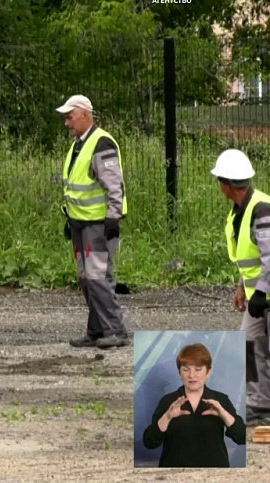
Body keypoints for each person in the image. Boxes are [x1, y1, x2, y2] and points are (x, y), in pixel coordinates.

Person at [57, 94, 129, 349]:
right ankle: (97, 329)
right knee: (86, 277)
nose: (67, 123)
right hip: (81, 223)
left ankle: (115, 330)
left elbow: (113, 185)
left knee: (97, 277)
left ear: (85, 115)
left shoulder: (101, 144)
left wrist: (112, 218)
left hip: (98, 224)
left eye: (70, 117)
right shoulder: (80, 143)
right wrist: (70, 217)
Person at [212, 148, 270, 422]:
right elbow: (250, 257)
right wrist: (241, 286)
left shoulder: (261, 210)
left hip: (264, 293)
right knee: (248, 344)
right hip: (258, 293)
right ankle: (260, 403)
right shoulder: (240, 211)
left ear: (226, 184)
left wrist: (261, 291)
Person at [142, 343, 245, 467]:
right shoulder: (168, 401)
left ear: (208, 372)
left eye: (198, 369)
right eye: (186, 369)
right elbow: (149, 442)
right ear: (179, 372)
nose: (191, 375)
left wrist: (224, 415)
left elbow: (242, 438)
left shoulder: (221, 400)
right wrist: (167, 417)